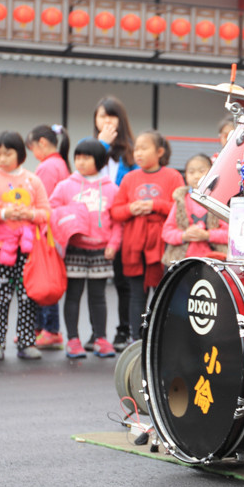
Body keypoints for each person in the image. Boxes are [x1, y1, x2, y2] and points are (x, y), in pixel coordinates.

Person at [0, 131, 51, 361]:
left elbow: (46, 212)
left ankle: (27, 342)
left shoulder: (33, 180)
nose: (2, 158)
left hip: (28, 249)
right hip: (0, 248)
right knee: (1, 296)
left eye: (8, 153)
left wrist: (30, 214)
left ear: (20, 155)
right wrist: (3, 213)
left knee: (28, 297)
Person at [48, 139, 123, 359]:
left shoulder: (111, 188)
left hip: (101, 249)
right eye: (77, 157)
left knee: (98, 296)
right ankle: (73, 339)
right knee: (73, 295)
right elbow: (52, 210)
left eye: (86, 157)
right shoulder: (65, 185)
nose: (80, 161)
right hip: (74, 248)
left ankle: (100, 338)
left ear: (99, 161)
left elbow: (118, 221)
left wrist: (113, 245)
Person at [111, 130, 183, 342]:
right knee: (136, 295)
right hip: (134, 246)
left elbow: (180, 209)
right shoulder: (129, 178)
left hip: (162, 246)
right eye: (136, 149)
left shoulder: (173, 176)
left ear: (160, 151)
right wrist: (131, 209)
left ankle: (162, 342)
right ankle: (137, 340)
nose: (138, 153)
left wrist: (155, 205)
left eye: (144, 148)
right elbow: (116, 211)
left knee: (163, 295)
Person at [94, 95, 137, 347]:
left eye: (111, 116)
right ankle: (96, 333)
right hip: (94, 225)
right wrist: (100, 146)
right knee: (93, 284)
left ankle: (123, 329)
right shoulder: (90, 146)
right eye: (102, 116)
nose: (107, 121)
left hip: (122, 225)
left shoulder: (131, 151)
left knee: (123, 281)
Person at [26, 124, 71, 350]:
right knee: (49, 276)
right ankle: (40, 328)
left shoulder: (46, 167)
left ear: (42, 144)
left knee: (44, 279)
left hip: (45, 230)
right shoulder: (61, 164)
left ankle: (50, 329)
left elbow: (39, 200)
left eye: (32, 148)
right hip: (56, 230)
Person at [162, 153, 229, 265]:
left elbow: (230, 233)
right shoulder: (180, 200)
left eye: (202, 171)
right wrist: (184, 235)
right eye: (191, 172)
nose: (196, 176)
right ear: (186, 176)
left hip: (214, 262)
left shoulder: (218, 201)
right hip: (182, 262)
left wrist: (207, 235)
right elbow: (166, 232)